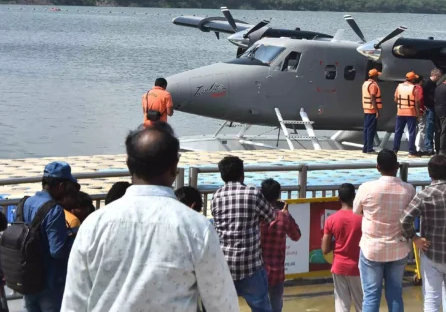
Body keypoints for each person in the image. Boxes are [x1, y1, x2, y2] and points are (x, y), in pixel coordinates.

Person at [62, 124, 239, 312]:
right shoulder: (196, 228)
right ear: (174, 166)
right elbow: (223, 304)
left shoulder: (93, 225)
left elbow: (74, 303)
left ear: (129, 165)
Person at [401, 155, 446, 312]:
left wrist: (415, 238)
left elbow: (404, 220)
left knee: (432, 300)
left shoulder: (425, 195)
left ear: (429, 173)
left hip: (432, 253)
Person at [212, 155, 277, 312]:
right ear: (242, 174)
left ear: (222, 176)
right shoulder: (253, 193)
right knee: (261, 307)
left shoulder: (216, 196)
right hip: (250, 265)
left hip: (225, 265)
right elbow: (271, 216)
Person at [354, 150, 416, 312]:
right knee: (395, 294)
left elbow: (356, 211)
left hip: (372, 249)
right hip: (398, 248)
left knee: (371, 296)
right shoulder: (409, 189)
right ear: (397, 167)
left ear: (377, 167)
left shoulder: (366, 188)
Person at [19, 161, 79, 312]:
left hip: (29, 278)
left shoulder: (26, 202)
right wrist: (76, 241)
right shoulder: (55, 210)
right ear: (60, 185)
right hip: (49, 283)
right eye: (67, 186)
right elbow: (57, 250)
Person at [260, 178, 302, 312]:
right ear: (278, 195)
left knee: (259, 305)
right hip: (277, 270)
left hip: (257, 270)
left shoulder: (255, 215)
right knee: (276, 305)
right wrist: (287, 214)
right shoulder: (284, 217)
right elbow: (296, 236)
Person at [322, 183, 364, 312]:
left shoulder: (331, 219)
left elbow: (324, 249)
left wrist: (337, 243)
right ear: (354, 197)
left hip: (339, 266)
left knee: (341, 304)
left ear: (338, 198)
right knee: (361, 304)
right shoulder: (363, 218)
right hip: (358, 267)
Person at [392, 72, 421, 157]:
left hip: (400, 112)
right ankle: (412, 151)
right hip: (411, 113)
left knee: (398, 131)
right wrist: (418, 114)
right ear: (412, 79)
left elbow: (395, 99)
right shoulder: (414, 88)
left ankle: (394, 150)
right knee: (412, 132)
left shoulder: (399, 86)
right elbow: (417, 103)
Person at [421, 68, 442, 155]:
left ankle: (430, 146)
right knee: (429, 128)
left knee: (432, 128)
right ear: (435, 75)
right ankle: (428, 147)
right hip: (429, 107)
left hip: (432, 107)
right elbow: (423, 96)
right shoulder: (427, 84)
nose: (439, 78)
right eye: (439, 76)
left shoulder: (433, 84)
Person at [362, 69, 383, 154]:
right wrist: (376, 110)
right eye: (377, 75)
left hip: (366, 109)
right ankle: (369, 148)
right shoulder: (373, 85)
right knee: (371, 129)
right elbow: (373, 98)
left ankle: (365, 147)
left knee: (366, 129)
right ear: (374, 76)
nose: (378, 76)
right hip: (371, 109)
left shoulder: (365, 83)